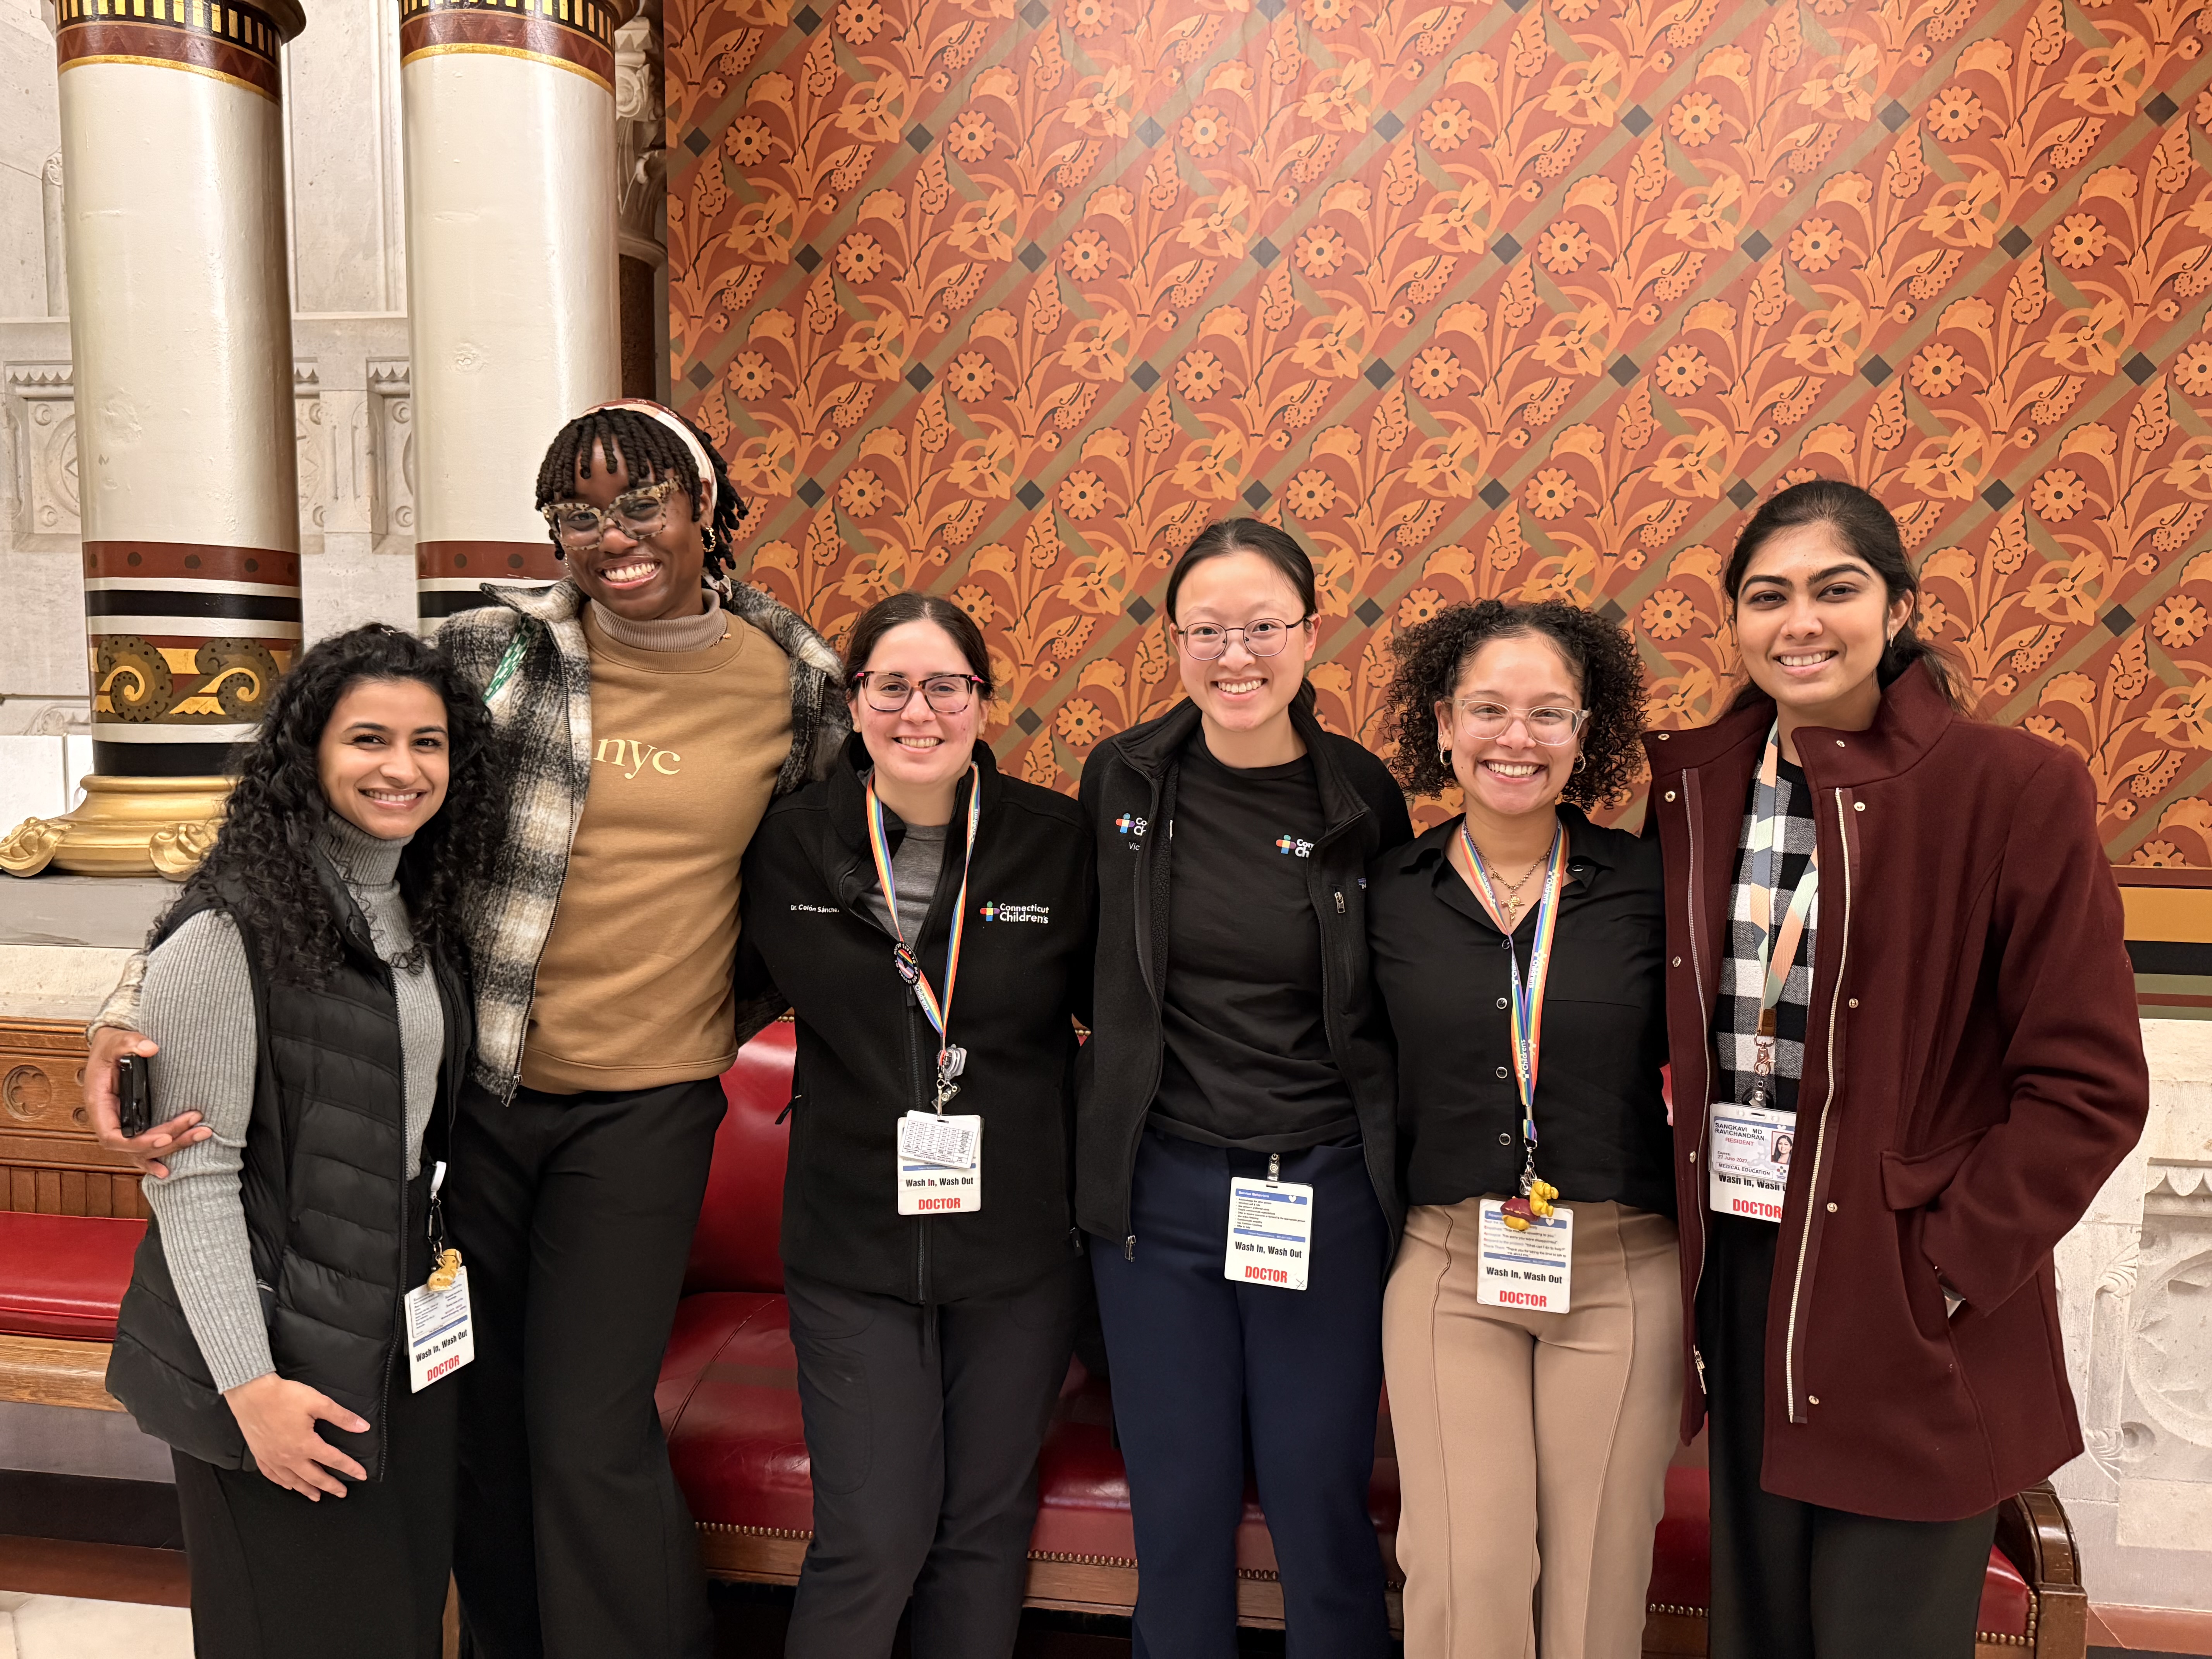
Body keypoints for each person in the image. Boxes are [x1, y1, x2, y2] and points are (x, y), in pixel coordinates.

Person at [84, 398, 850, 1659]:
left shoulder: (795, 684)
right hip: (472, 1100)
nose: (614, 537)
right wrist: (132, 999)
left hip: (649, 1104)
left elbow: (823, 878)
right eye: (578, 513)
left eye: (642, 502)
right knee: (476, 1414)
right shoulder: (493, 654)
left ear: (709, 507)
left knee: (590, 1425)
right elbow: (283, 822)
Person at [1644, 479, 2149, 1659]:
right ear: (1736, 622)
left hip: (1907, 1280)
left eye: (1837, 588)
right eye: (1767, 596)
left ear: (1900, 605)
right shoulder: (1697, 791)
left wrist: (1951, 1264)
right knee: (1756, 1631)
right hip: (1744, 1269)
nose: (1800, 621)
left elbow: (2090, 1081)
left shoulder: (2011, 787)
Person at [105, 623, 504, 1659]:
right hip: (282, 1357)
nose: (401, 768)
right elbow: (191, 1185)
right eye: (368, 738)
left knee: (397, 1624)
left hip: (404, 1335)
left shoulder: (418, 912)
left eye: (428, 743)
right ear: (308, 753)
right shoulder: (224, 935)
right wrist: (249, 1390)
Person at [734, 591, 1095, 1658]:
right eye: (891, 686)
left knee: (984, 1532)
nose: (919, 710)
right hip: (851, 1241)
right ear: (855, 703)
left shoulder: (1054, 839)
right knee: (874, 1534)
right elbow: (715, 991)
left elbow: (1121, 1023)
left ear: (983, 701)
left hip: (1020, 1244)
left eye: (947, 685)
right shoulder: (793, 842)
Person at [1076, 518, 1412, 1658]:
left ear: (1311, 634)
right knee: (1177, 1508)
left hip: (1321, 1189)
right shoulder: (1121, 776)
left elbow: (1395, 993)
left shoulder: (1359, 795)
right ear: (1173, 640)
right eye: (1206, 629)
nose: (1236, 654)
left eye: (1262, 626)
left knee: (1320, 1501)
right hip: (1158, 1190)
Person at [1367, 598, 1679, 1659]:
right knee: (1468, 1570)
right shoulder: (1385, 894)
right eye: (1490, 710)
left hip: (1622, 1267)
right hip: (1452, 1266)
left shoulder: (1651, 887)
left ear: (1585, 735)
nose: (1518, 737)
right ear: (1444, 724)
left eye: (1550, 713)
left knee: (1597, 1587)